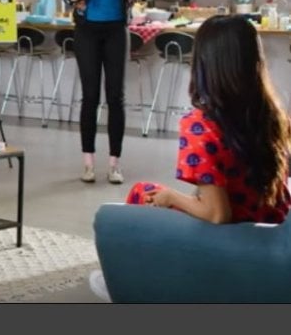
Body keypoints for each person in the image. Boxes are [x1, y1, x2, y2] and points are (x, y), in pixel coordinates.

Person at [125, 15, 291, 224]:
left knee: (141, 192)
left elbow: (218, 214)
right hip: (275, 223)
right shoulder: (272, 114)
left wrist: (171, 197)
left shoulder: (200, 125)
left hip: (235, 232)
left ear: (203, 63)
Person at [57, 0, 149, 184]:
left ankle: (114, 164)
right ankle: (88, 163)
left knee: (115, 97)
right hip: (87, 29)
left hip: (115, 29)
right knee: (90, 96)